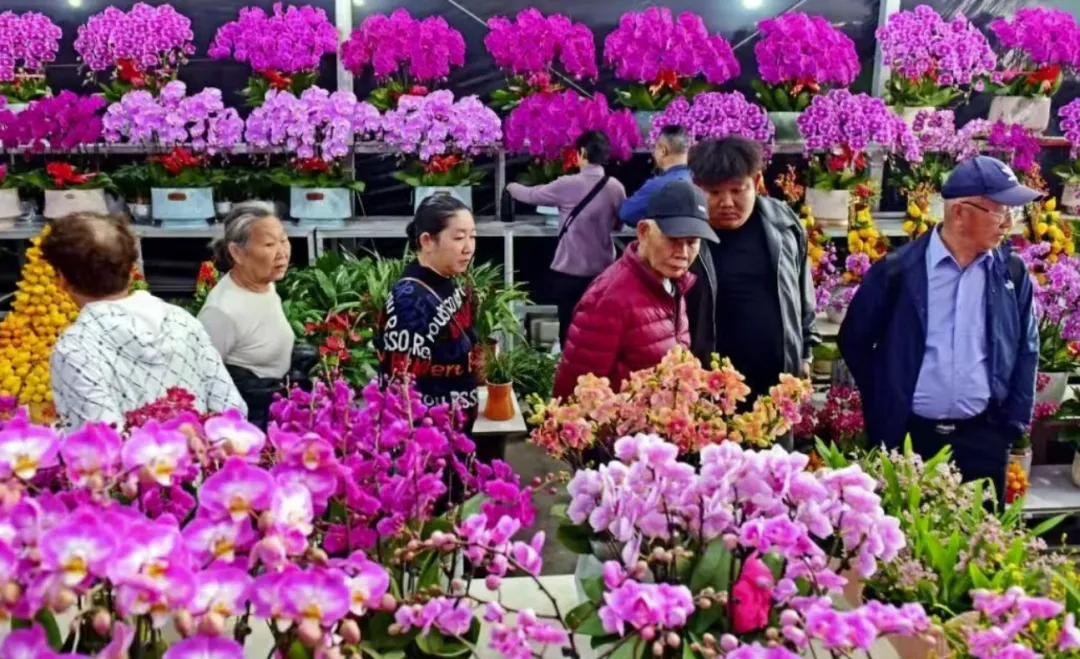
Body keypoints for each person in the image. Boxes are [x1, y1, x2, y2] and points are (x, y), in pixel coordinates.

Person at [838, 155, 1040, 502]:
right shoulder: (898, 272)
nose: (1009, 222)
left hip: (983, 438)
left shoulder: (1012, 273)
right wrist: (887, 395)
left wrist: (1012, 424)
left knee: (980, 533)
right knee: (904, 530)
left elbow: (1027, 348)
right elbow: (854, 342)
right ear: (959, 212)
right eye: (1000, 210)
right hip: (907, 437)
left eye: (1013, 211)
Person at [44, 212, 245, 430]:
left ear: (62, 279)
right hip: (198, 449)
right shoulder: (181, 320)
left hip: (143, 454)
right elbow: (231, 410)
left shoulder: (75, 348)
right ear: (131, 269)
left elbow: (100, 439)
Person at [553, 179, 717, 398]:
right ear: (643, 231)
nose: (683, 253)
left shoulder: (674, 283)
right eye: (673, 239)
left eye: (692, 242)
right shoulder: (609, 298)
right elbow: (572, 395)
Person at [685, 136, 818, 402]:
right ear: (697, 187)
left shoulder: (784, 224)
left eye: (737, 190)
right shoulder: (686, 236)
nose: (726, 202)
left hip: (777, 384)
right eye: (714, 193)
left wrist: (805, 355)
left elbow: (803, 294)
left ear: (756, 182)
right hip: (710, 387)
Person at [506, 130, 626, 348]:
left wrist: (510, 187)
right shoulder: (616, 188)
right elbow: (619, 223)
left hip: (569, 274)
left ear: (582, 153)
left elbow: (531, 195)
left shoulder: (568, 184)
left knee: (570, 335)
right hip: (603, 274)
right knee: (601, 335)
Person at [375, 194, 479, 425]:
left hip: (456, 427)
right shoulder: (410, 301)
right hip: (430, 436)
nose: (469, 248)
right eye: (459, 238)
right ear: (427, 241)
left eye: (472, 236)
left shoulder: (445, 277)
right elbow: (400, 387)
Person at [199, 202, 295, 429]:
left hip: (278, 407)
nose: (282, 253)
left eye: (283, 240)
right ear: (237, 253)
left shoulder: (264, 283)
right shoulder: (221, 312)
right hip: (249, 422)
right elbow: (202, 377)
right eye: (269, 244)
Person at [618, 125, 691, 226]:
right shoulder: (702, 181)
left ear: (663, 151)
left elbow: (627, 214)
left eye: (655, 148)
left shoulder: (657, 186)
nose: (653, 153)